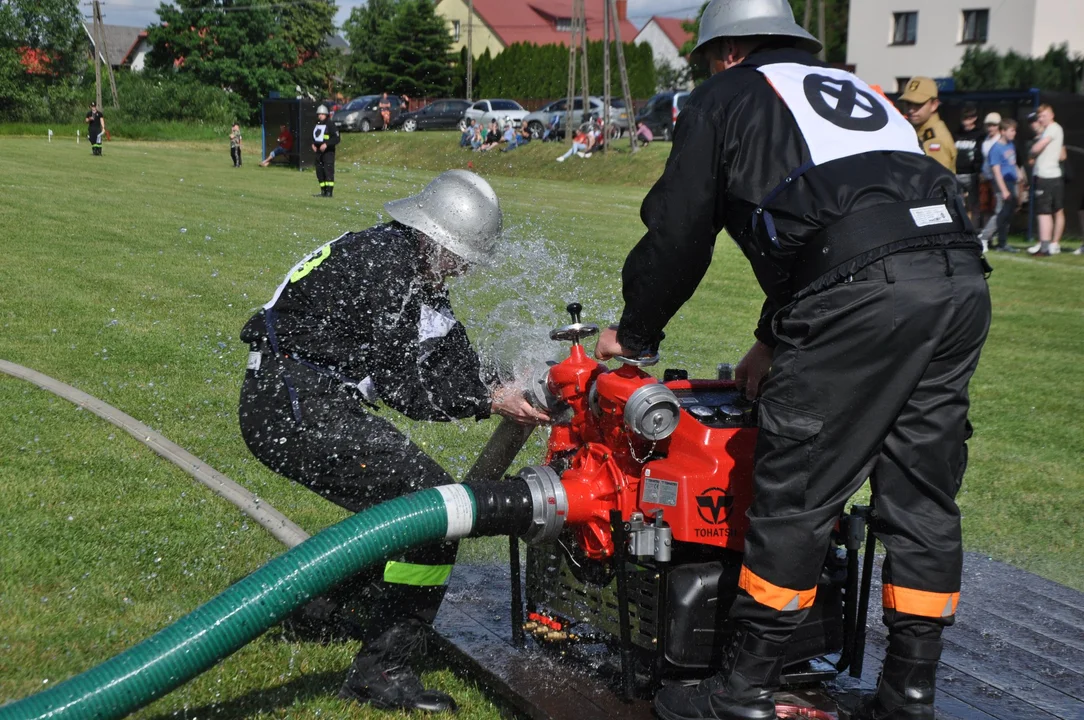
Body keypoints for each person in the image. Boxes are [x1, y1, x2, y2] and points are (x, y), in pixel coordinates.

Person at [592, 2, 991, 720]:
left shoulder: (724, 95)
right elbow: (855, 211)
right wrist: (772, 338)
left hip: (865, 291)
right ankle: (909, 695)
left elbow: (681, 229)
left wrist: (636, 331)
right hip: (957, 278)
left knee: (798, 490)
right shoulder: (857, 89)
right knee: (922, 499)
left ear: (727, 51)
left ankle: (741, 692)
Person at [238, 170, 549, 713]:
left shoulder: (399, 261)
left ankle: (316, 610)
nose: (467, 269)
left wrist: (509, 376)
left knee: (396, 507)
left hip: (292, 391)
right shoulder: (388, 271)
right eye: (463, 256)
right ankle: (384, 667)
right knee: (432, 511)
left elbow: (449, 361)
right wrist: (490, 400)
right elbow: (408, 386)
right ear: (437, 239)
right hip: (292, 403)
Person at [1027, 104, 1066, 256]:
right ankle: (1048, 244)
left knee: (1043, 212)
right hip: (1053, 175)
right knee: (1051, 211)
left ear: (1051, 115)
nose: (1041, 119)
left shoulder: (1052, 129)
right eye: (1039, 116)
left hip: (1046, 176)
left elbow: (1038, 147)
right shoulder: (1053, 129)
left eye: (1043, 116)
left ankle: (1044, 247)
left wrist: (1032, 151)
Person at [899, 77, 956, 172]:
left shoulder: (935, 141)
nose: (911, 110)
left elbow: (937, 181)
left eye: (918, 104)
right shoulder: (920, 130)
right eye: (908, 103)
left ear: (934, 105)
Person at [988, 118, 1021, 254]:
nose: (1014, 133)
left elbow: (1012, 164)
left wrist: (1019, 176)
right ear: (1002, 131)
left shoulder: (1010, 145)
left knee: (1007, 215)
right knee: (1001, 213)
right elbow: (996, 172)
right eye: (1011, 130)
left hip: (1011, 182)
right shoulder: (996, 148)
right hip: (1003, 184)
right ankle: (985, 238)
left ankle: (1003, 242)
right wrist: (1004, 190)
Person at [976, 112, 1003, 251]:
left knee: (1000, 209)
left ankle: (993, 237)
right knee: (986, 209)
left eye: (993, 125)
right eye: (988, 125)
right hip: (986, 178)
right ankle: (988, 238)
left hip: (999, 179)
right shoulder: (984, 140)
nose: (991, 128)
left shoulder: (1001, 140)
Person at [954, 105, 984, 221]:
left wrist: (979, 170)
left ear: (974, 118)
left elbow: (981, 154)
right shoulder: (957, 134)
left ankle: (974, 229)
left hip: (972, 174)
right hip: (957, 173)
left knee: (974, 204)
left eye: (968, 118)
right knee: (959, 204)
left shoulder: (979, 135)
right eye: (964, 118)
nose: (965, 121)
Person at [311, 105, 340, 197]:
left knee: (328, 172)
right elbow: (315, 136)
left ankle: (329, 192)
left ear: (326, 114)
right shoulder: (317, 124)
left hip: (328, 153)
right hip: (319, 153)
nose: (320, 116)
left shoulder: (330, 124)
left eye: (322, 114)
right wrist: (313, 144)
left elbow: (337, 138)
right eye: (319, 114)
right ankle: (323, 191)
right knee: (319, 172)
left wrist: (326, 144)